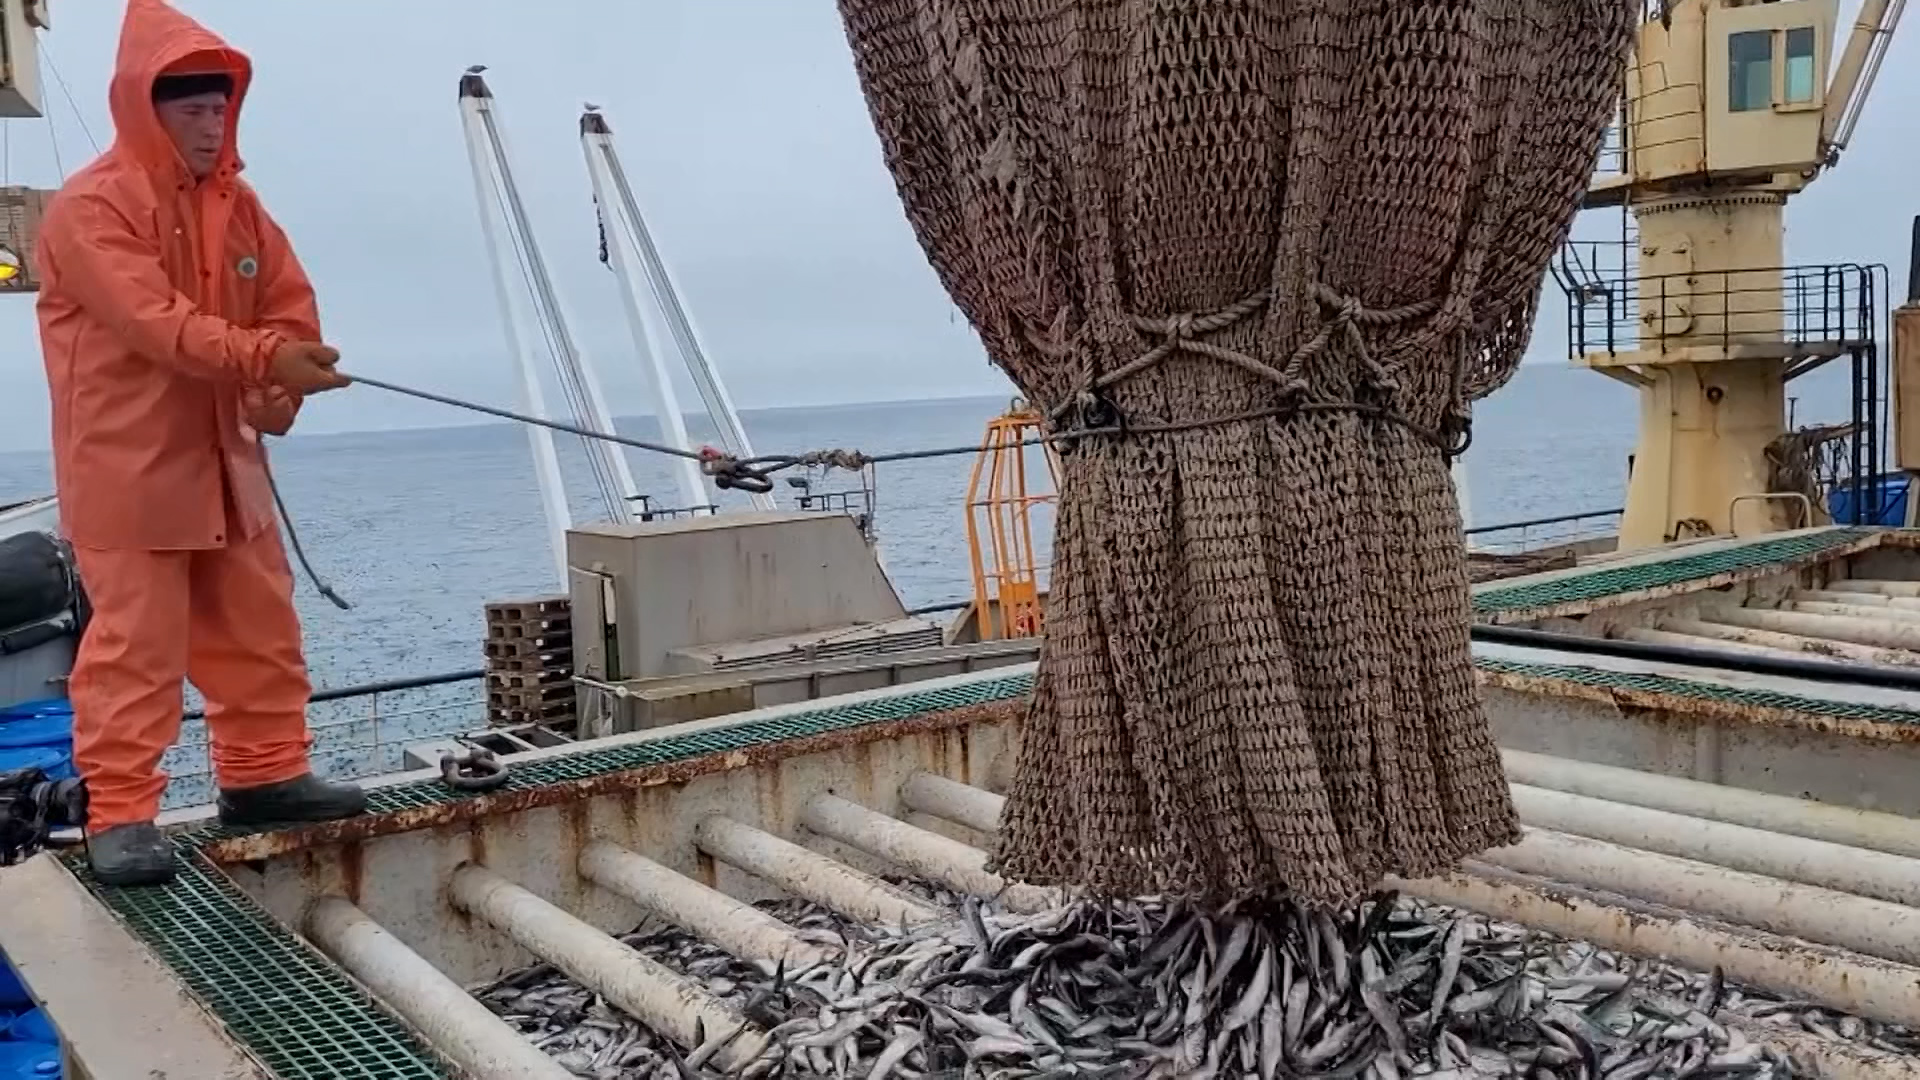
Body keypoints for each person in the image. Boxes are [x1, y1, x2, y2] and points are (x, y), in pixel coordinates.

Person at [33, 0, 365, 887]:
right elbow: (156, 323)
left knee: (259, 632)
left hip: (227, 468)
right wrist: (265, 356)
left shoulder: (242, 208)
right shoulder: (88, 210)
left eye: (220, 105)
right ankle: (122, 816)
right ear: (146, 105)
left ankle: (263, 777)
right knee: (134, 653)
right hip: (130, 476)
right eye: (191, 105)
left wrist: (276, 385)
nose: (211, 120)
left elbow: (284, 302)